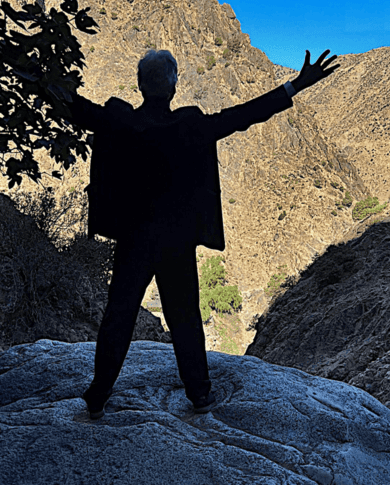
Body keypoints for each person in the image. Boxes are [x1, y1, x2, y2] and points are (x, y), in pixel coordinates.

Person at [68, 48, 339, 419]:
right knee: (185, 319)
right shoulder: (191, 127)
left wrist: (29, 73)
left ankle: (98, 395)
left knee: (119, 316)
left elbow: (74, 107)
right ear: (175, 85)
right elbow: (243, 116)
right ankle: (200, 395)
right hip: (176, 242)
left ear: (138, 84)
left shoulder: (119, 122)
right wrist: (295, 85)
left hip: (134, 240)